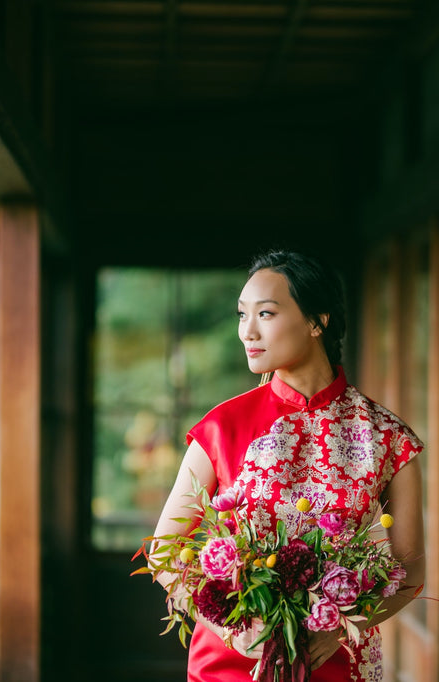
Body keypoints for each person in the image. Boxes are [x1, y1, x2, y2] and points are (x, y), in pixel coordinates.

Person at [152, 250, 425, 682]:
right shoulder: (222, 426)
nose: (248, 331)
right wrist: (231, 629)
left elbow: (409, 571)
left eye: (265, 313)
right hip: (232, 663)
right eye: (242, 315)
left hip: (334, 661)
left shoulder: (388, 437)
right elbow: (164, 552)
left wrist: (338, 630)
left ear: (318, 320)